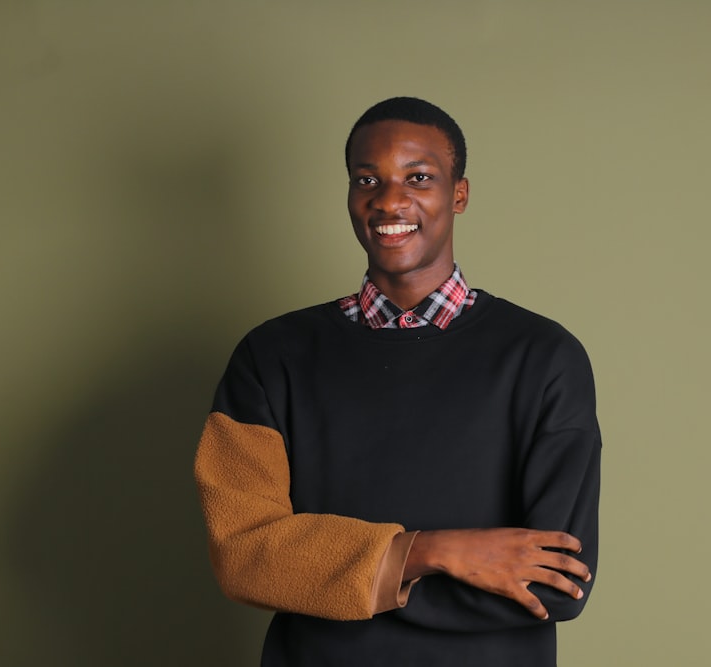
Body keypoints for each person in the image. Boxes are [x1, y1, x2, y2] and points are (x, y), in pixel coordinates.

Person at [194, 97, 602, 667]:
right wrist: (429, 552)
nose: (389, 200)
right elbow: (242, 552)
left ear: (459, 193)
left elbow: (554, 583)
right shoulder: (270, 356)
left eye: (419, 177)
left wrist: (335, 579)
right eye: (368, 178)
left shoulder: (545, 357)